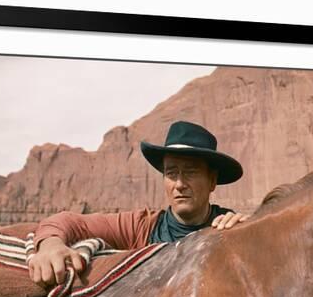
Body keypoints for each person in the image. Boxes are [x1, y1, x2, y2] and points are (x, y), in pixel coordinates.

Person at [28, 121, 249, 286]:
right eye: (171, 173)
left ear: (212, 181)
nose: (179, 184)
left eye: (190, 172)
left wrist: (247, 231)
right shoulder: (142, 227)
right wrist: (50, 246)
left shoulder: (231, 226)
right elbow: (68, 221)